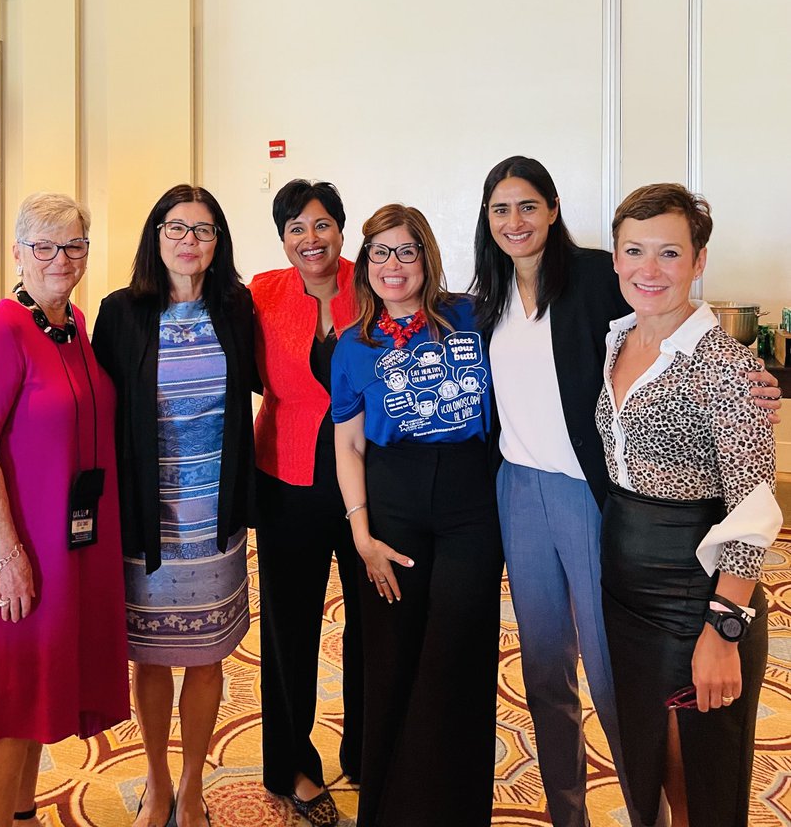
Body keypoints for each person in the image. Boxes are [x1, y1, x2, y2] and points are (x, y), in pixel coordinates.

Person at [471, 156, 779, 827]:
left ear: (554, 209)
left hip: (592, 499)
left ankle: (648, 812)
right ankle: (567, 811)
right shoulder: (490, 296)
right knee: (544, 668)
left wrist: (752, 376)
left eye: (529, 205)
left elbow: (677, 324)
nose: (516, 221)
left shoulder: (593, 278)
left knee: (619, 678)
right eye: (501, 209)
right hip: (521, 491)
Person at [0, 192, 129, 827]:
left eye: (73, 245)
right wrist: (8, 555)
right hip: (2, 538)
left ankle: (22, 815)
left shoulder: (72, 325)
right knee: (6, 695)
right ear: (17, 252)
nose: (59, 258)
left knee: (32, 686)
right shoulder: (0, 331)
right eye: (43, 246)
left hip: (53, 534)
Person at [597, 183, 782, 827]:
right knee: (652, 762)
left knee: (699, 779)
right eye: (634, 251)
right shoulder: (619, 341)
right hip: (625, 596)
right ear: (615, 258)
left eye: (670, 253)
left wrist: (723, 630)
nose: (649, 269)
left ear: (699, 261)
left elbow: (753, 510)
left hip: (693, 598)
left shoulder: (726, 366)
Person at [93, 185, 257, 827]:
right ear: (155, 236)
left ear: (218, 243)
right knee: (153, 654)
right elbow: (100, 411)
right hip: (147, 517)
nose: (190, 240)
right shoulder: (122, 311)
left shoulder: (236, 307)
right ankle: (157, 779)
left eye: (203, 230)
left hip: (214, 516)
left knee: (208, 654)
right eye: (177, 228)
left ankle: (192, 784)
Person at [333, 204, 501, 827]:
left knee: (458, 651)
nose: (393, 265)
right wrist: (361, 535)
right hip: (392, 504)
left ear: (426, 257)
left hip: (470, 501)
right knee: (393, 653)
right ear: (365, 265)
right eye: (380, 252)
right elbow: (349, 446)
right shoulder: (353, 346)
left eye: (406, 251)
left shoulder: (473, 316)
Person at [249, 179, 363, 827]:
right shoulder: (262, 292)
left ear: (341, 230)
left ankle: (367, 749)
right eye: (296, 228)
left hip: (366, 479)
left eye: (322, 225)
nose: (310, 239)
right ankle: (292, 763)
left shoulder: (371, 281)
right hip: (287, 475)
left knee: (372, 623)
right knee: (289, 628)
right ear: (282, 237)